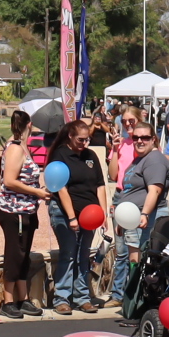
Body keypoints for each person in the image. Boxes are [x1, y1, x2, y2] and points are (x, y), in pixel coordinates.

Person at [46, 120, 107, 314]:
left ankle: (82, 296)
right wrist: (72, 217)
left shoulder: (91, 156)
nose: (84, 143)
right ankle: (61, 298)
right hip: (65, 213)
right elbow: (60, 187)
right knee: (69, 254)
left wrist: (102, 213)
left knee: (83, 255)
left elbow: (100, 185)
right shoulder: (60, 155)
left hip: (89, 214)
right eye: (80, 139)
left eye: (87, 139)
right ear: (70, 137)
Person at [0, 110, 44, 319]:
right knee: (14, 254)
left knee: (24, 256)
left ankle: (23, 298)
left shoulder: (25, 148)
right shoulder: (14, 149)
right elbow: (9, 181)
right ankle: (8, 301)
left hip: (27, 209)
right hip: (12, 209)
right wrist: (37, 191)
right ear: (29, 125)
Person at [112, 120, 169, 300]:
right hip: (132, 218)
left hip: (145, 218)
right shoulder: (140, 158)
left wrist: (144, 214)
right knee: (134, 262)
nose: (139, 141)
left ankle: (140, 301)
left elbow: (155, 190)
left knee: (143, 263)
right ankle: (132, 301)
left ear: (153, 139)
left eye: (144, 137)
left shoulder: (154, 160)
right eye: (135, 137)